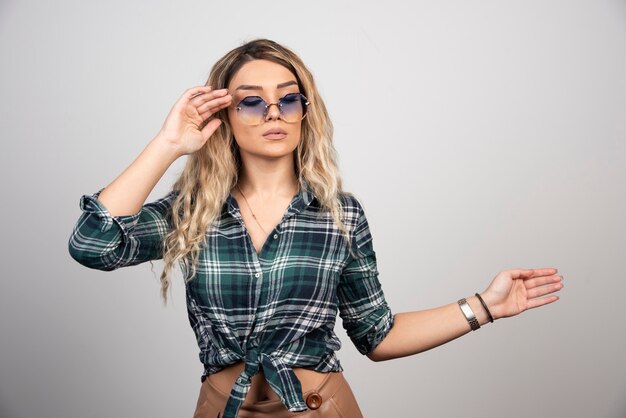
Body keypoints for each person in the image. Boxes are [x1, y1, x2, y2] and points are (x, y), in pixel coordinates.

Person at [68, 38, 564, 418]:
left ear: (306, 111)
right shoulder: (191, 210)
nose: (272, 114)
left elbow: (378, 335)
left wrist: (484, 306)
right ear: (224, 114)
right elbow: (93, 245)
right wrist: (169, 142)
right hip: (222, 408)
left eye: (288, 99)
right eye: (250, 102)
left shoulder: (339, 214)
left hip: (320, 408)